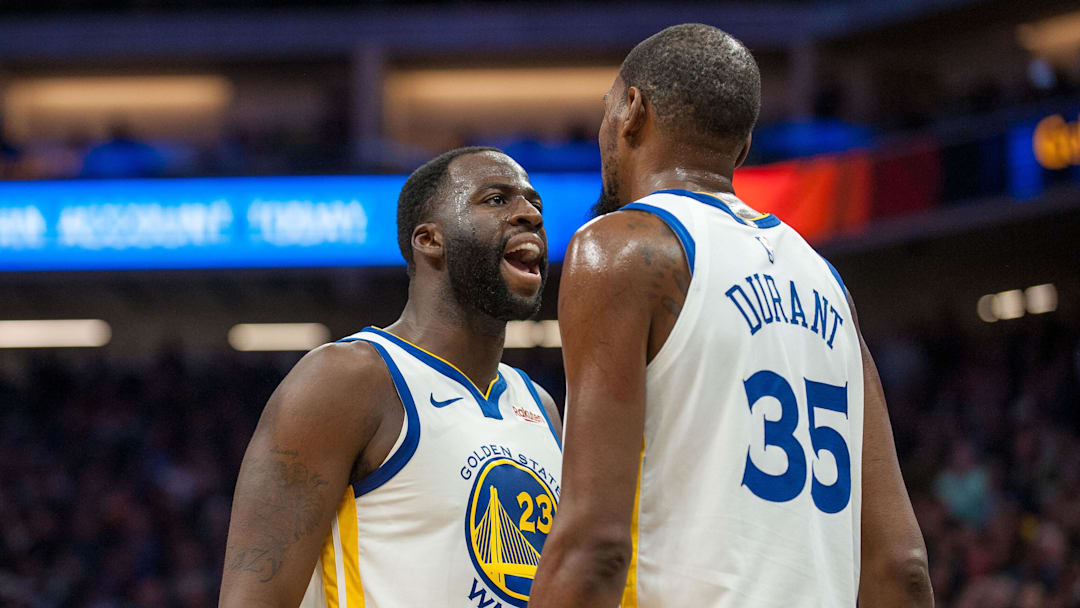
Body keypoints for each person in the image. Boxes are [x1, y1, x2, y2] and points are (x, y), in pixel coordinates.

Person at [529, 24, 932, 607]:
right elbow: (903, 565)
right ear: (740, 150)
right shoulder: (829, 285)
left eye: (606, 111)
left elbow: (595, 546)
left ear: (633, 111)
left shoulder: (623, 248)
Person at [220, 147, 562, 607]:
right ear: (429, 240)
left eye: (534, 204)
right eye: (497, 200)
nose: (529, 215)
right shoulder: (348, 380)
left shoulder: (540, 405)